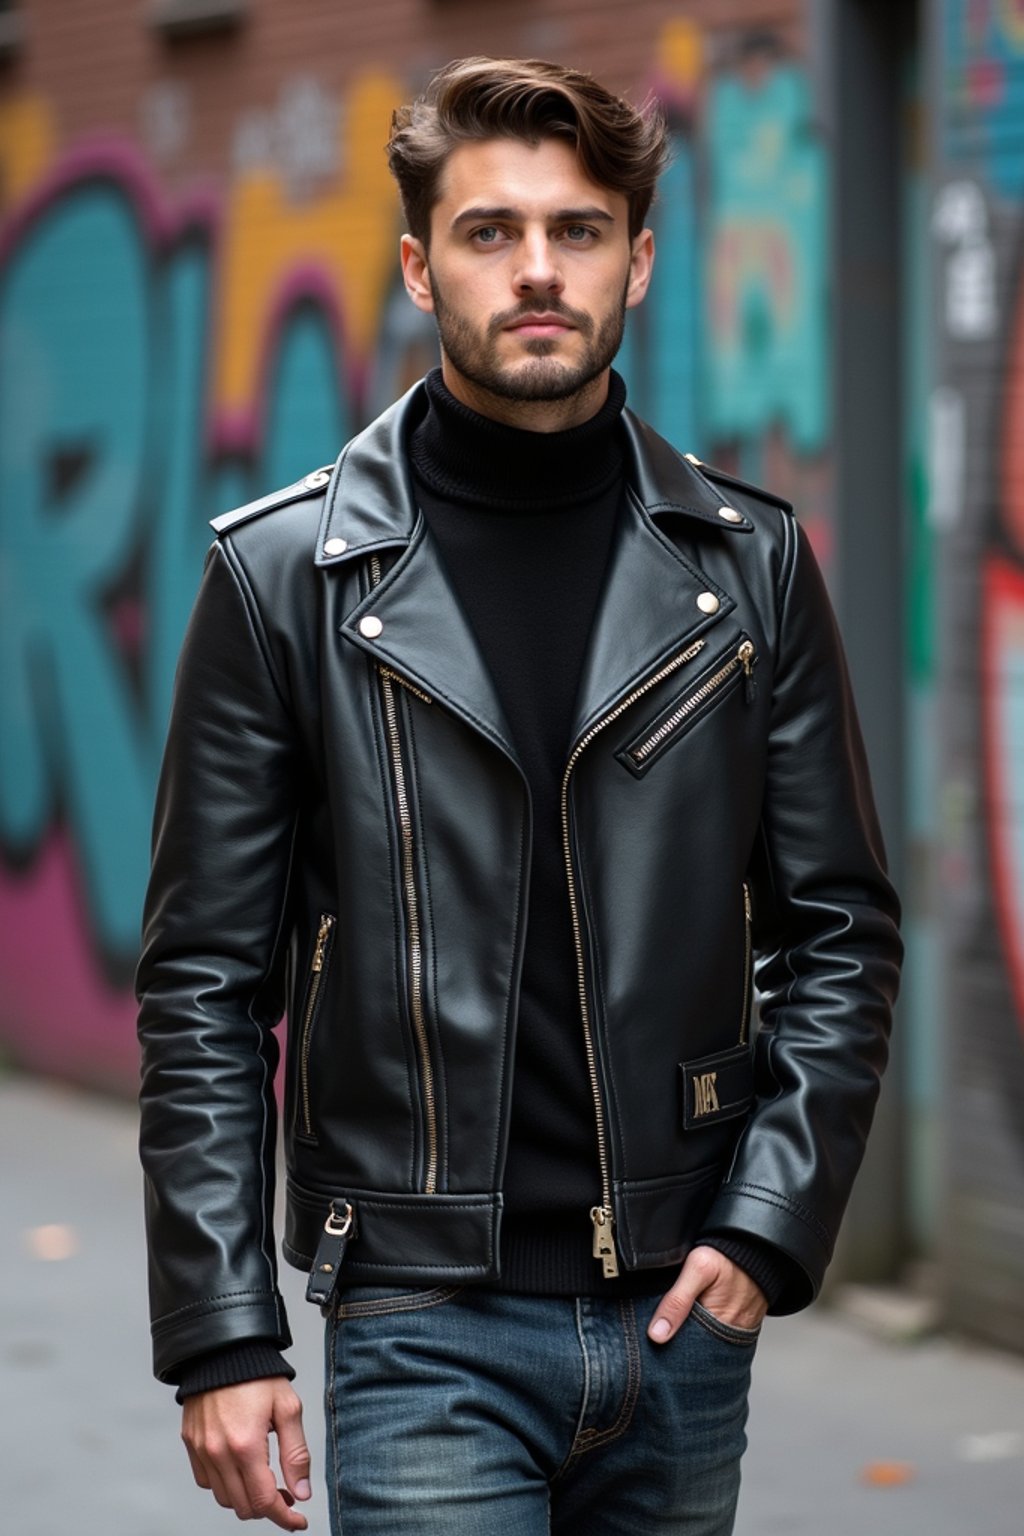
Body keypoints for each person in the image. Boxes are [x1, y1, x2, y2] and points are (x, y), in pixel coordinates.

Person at [137, 55, 902, 1536]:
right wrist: (221, 1332)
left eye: (581, 229)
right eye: (491, 232)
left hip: (684, 1318)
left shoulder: (746, 569)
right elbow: (203, 983)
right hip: (423, 1319)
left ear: (641, 258)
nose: (539, 270)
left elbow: (842, 931)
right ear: (421, 267)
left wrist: (767, 1227)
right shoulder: (286, 579)